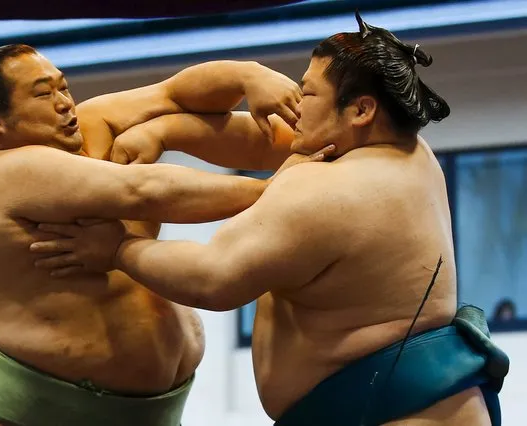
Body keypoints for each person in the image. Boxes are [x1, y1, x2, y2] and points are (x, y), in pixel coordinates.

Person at [33, 12, 510, 426]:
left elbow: (213, 277)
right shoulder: (403, 153)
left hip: (395, 414)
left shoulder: (330, 190)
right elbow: (264, 139)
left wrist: (116, 250)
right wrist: (167, 129)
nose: (297, 109)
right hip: (424, 405)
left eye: (310, 94)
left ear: (362, 109)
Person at [0, 33, 333, 426]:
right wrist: (275, 189)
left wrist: (247, 76)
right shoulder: (1, 173)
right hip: (31, 414)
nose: (65, 103)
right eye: (44, 95)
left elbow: (176, 93)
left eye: (64, 87)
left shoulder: (94, 123)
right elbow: (145, 192)